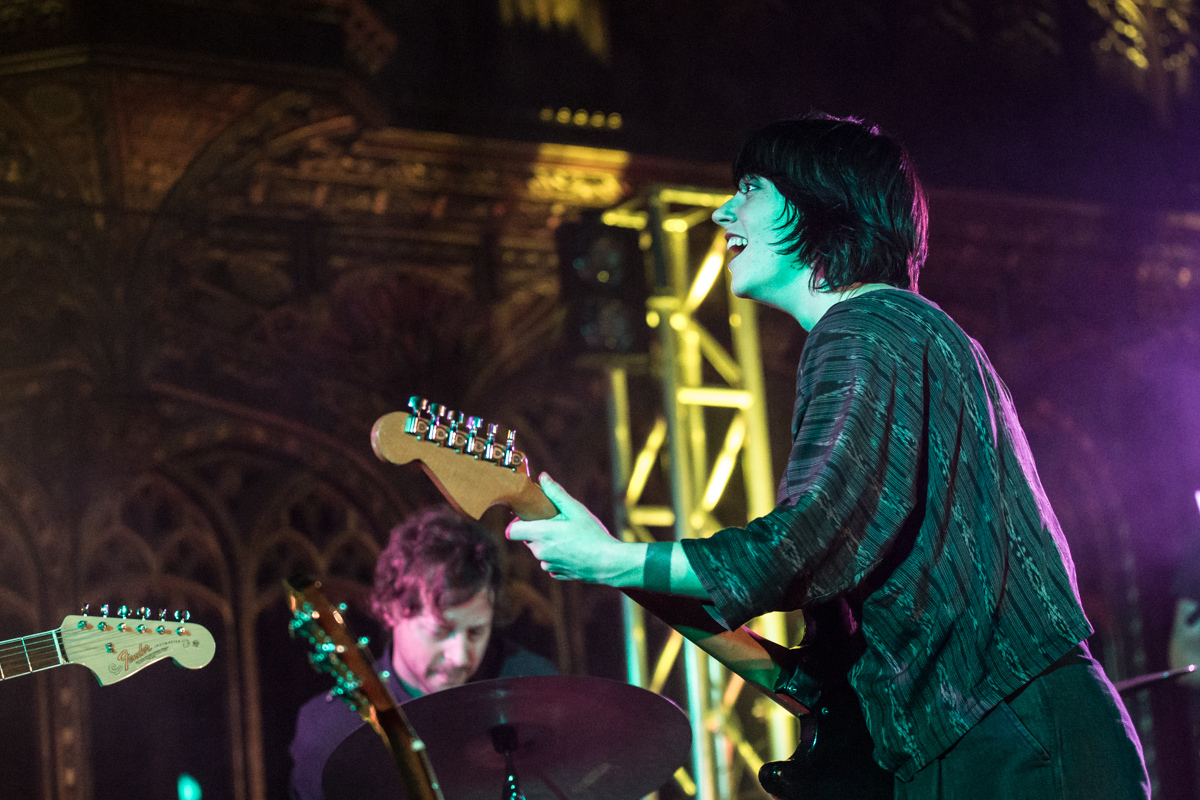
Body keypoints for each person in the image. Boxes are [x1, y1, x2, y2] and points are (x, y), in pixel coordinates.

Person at [508, 114, 1150, 799]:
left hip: (1008, 740)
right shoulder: (897, 328)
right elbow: (856, 579)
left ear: (820, 205)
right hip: (1001, 733)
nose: (723, 210)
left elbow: (814, 536)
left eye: (749, 188)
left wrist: (611, 560)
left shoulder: (865, 328)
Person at [290, 506, 556, 800]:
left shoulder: (530, 687)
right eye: (440, 632)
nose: (461, 657)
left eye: (476, 632)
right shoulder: (329, 729)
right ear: (392, 611)